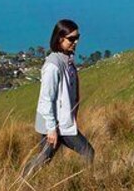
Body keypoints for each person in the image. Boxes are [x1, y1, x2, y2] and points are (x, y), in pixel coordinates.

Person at [23, 19, 94, 177]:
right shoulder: (53, 66)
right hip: (55, 123)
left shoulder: (66, 59)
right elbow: (46, 99)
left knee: (44, 158)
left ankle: (23, 181)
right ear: (60, 38)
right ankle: (22, 182)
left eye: (77, 37)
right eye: (71, 39)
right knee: (87, 152)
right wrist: (51, 128)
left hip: (62, 122)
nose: (75, 42)